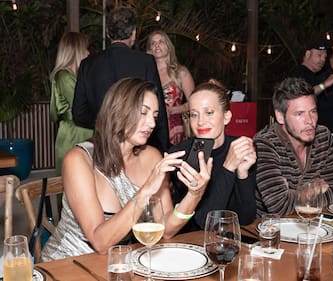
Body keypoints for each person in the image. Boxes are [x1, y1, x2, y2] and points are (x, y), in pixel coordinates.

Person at [41, 78, 212, 261]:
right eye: (143, 113)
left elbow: (167, 230)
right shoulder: (79, 160)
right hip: (67, 264)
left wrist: (194, 194)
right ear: (118, 111)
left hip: (118, 263)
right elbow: (100, 242)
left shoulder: (151, 157)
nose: (152, 124)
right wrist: (146, 190)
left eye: (154, 116)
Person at [72, 7, 169, 153]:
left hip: (104, 145)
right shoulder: (145, 62)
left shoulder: (88, 64)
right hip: (138, 148)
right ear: (133, 33)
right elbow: (158, 111)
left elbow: (78, 113)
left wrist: (107, 123)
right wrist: (163, 149)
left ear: (108, 33)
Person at [169, 79, 257, 232]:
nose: (200, 122)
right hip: (190, 244)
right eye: (194, 115)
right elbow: (204, 223)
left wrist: (243, 174)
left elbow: (246, 217)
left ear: (227, 117)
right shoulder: (181, 156)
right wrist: (228, 167)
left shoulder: (238, 148)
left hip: (228, 242)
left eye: (209, 113)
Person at [254, 77, 333, 216]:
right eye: (299, 114)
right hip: (273, 231)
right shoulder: (265, 143)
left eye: (313, 112)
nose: (309, 121)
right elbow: (279, 206)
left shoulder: (323, 136)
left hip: (315, 225)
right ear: (280, 116)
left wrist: (294, 194)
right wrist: (310, 190)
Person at [49, 32, 93, 176]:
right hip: (73, 133)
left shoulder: (75, 76)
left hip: (81, 131)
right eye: (85, 48)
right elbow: (82, 105)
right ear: (77, 50)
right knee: (72, 181)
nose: (89, 52)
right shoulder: (64, 75)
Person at [147, 30, 195, 145]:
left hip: (175, 130)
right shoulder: (146, 73)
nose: (157, 45)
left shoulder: (181, 72)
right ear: (150, 49)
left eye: (161, 42)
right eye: (153, 43)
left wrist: (173, 110)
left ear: (168, 47)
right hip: (150, 129)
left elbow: (194, 103)